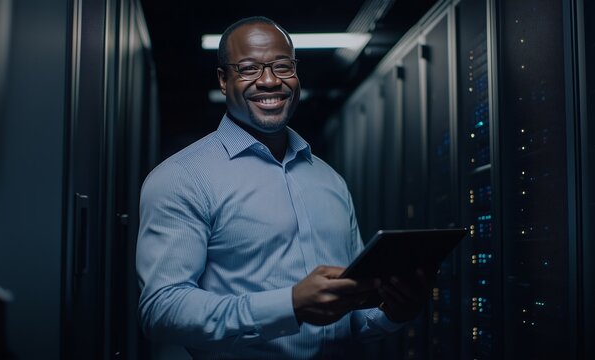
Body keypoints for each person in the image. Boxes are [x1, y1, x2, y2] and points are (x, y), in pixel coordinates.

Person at [136, 16, 432, 359]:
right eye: (248, 68)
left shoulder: (330, 180)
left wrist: (393, 313)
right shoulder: (182, 177)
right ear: (223, 79)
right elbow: (162, 310)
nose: (269, 81)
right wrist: (289, 305)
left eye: (282, 66)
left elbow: (351, 316)